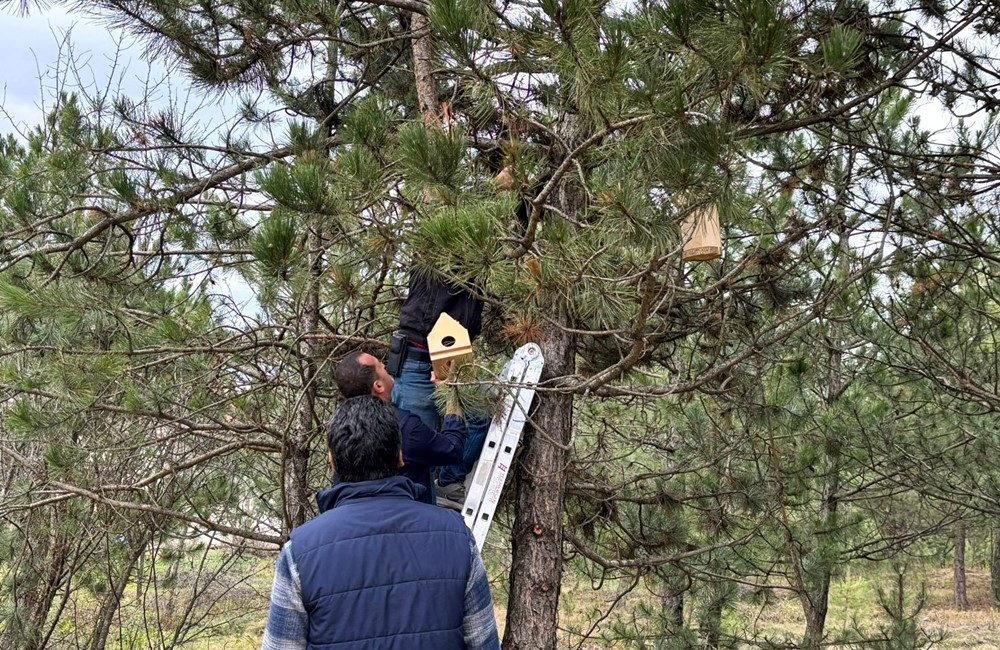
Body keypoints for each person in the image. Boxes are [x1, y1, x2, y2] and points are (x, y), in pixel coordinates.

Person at [261, 396, 500, 650]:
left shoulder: (300, 551)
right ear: (400, 457)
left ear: (331, 460)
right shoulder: (457, 537)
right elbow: (484, 643)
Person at [394, 271, 491, 509]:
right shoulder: (439, 249)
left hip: (453, 353)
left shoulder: (477, 248)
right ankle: (418, 513)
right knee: (417, 458)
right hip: (420, 356)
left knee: (479, 417)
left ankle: (448, 480)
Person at [334, 350, 466, 505]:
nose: (385, 365)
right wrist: (451, 393)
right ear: (378, 386)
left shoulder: (339, 431)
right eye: (380, 366)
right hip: (411, 517)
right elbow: (452, 449)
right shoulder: (404, 427)